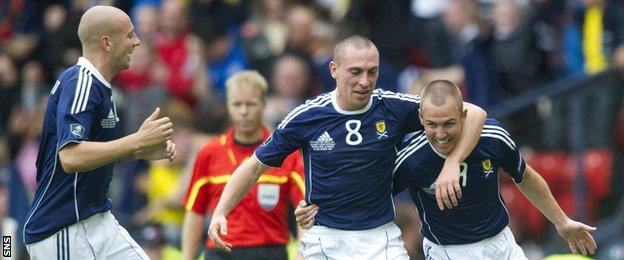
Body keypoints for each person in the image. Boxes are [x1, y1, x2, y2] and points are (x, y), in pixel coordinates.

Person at [208, 35, 487, 259]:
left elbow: (474, 114)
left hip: (380, 238)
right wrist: (221, 211)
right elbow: (255, 166)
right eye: (355, 72)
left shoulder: (393, 107)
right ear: (334, 70)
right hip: (325, 238)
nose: (364, 81)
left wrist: (453, 163)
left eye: (371, 72)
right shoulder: (307, 117)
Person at [298, 80, 597, 259]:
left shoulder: (493, 137)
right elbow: (365, 193)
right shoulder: (411, 158)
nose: (440, 133)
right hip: (446, 251)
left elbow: (525, 176)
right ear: (420, 118)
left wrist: (561, 221)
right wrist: (317, 207)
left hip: (501, 245)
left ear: (463, 115)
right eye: (432, 125)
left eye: (449, 124)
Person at [23, 6, 177, 259]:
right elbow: (71, 158)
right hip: (63, 228)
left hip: (99, 220)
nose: (137, 42)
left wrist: (140, 150)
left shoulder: (101, 87)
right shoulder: (81, 82)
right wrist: (136, 141)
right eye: (129, 35)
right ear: (106, 43)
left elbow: (98, 155)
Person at [181, 71, 305, 260]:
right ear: (228, 107)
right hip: (220, 251)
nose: (244, 111)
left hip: (270, 252)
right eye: (237, 104)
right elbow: (195, 212)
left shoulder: (285, 153)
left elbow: (303, 209)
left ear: (264, 105)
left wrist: (301, 254)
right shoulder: (209, 153)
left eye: (251, 104)